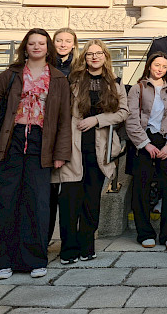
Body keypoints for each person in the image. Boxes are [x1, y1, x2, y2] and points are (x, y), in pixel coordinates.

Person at [0, 28, 71, 280]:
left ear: (48, 48)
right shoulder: (10, 75)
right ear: (25, 47)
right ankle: (2, 261)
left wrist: (61, 152)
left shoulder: (58, 78)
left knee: (36, 202)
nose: (36, 47)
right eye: (32, 43)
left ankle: (34, 260)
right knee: (4, 200)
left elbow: (63, 119)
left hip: (41, 143)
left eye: (41, 43)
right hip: (10, 140)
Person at [53, 39, 128, 264]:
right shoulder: (73, 81)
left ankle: (87, 245)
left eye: (99, 53)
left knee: (91, 200)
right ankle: (68, 248)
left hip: (99, 150)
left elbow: (123, 112)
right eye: (90, 54)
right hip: (73, 149)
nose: (94, 57)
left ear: (105, 57)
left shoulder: (114, 83)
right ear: (84, 57)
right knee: (69, 201)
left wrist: (97, 119)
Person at [126, 52, 167, 249]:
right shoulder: (138, 88)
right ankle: (144, 232)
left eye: (164, 66)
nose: (159, 69)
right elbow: (131, 118)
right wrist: (144, 143)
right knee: (141, 188)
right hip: (144, 140)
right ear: (149, 65)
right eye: (156, 65)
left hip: (166, 140)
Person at [49, 27, 78, 244]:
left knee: (67, 193)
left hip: (70, 130)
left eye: (67, 41)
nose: (63, 44)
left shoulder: (78, 69)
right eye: (59, 40)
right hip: (48, 130)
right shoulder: (46, 66)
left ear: (74, 44)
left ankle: (68, 240)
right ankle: (44, 236)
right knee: (46, 192)